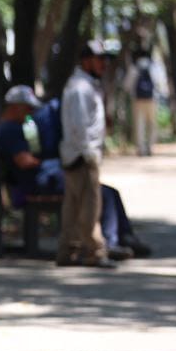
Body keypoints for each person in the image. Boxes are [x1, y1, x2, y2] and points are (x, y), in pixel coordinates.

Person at [0, 85, 151, 259]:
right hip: (39, 182)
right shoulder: (10, 130)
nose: (30, 112)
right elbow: (24, 161)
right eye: (28, 108)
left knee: (110, 192)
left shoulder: (19, 127)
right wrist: (53, 161)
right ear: (16, 107)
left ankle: (125, 237)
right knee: (101, 194)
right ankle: (110, 242)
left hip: (45, 177)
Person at [59, 41, 115, 268]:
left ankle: (68, 250)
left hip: (79, 152)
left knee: (73, 204)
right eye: (99, 59)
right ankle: (94, 251)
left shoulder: (85, 85)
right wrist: (88, 151)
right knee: (90, 207)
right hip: (82, 155)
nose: (103, 64)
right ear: (86, 61)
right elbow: (79, 125)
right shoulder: (80, 88)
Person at [128, 51, 157, 157]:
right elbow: (159, 83)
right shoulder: (153, 66)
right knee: (151, 124)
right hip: (152, 100)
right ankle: (150, 147)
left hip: (138, 100)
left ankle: (141, 148)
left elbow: (127, 85)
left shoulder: (134, 68)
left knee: (139, 124)